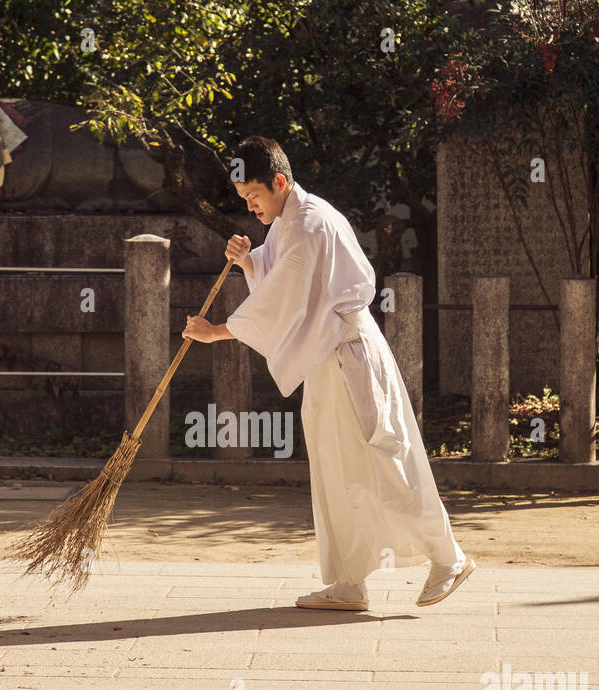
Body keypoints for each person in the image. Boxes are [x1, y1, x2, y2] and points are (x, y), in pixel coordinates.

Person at [182, 136, 475, 611]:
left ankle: (449, 557)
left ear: (279, 181)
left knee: (384, 458)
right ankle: (348, 582)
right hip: (325, 356)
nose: (251, 207)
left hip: (348, 352)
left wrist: (218, 332)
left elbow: (285, 298)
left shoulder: (311, 223)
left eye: (254, 196)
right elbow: (281, 277)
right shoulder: (288, 219)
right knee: (335, 469)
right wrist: (249, 259)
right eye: (244, 200)